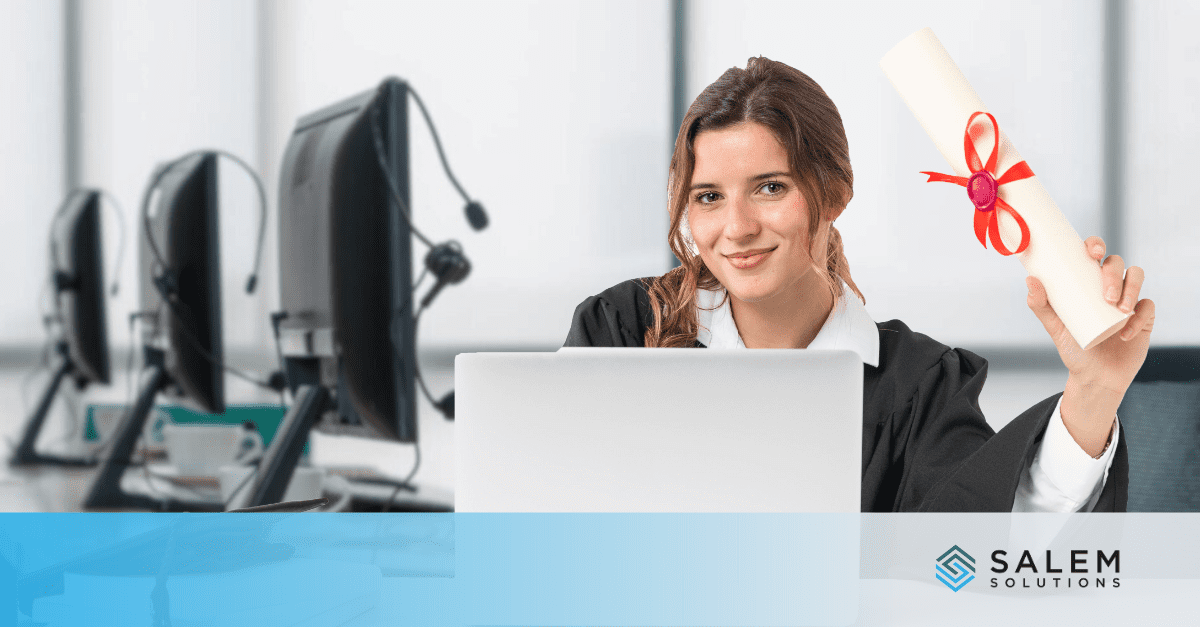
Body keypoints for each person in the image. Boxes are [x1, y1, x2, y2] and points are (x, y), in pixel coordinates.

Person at [563, 57, 1154, 513]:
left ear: (835, 195)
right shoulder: (625, 329)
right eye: (709, 197)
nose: (737, 228)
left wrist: (1094, 390)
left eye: (771, 188)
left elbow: (981, 544)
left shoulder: (917, 388)